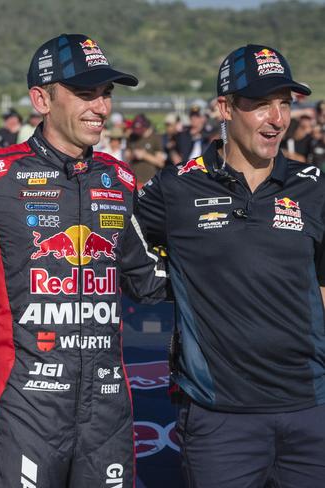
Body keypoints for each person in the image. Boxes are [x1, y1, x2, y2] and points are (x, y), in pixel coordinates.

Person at [0, 33, 167, 488]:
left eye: (106, 93)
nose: (102, 107)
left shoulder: (119, 178)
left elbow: (147, 280)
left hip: (107, 411)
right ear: (41, 99)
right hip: (25, 410)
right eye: (86, 94)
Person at [136, 44, 325, 488]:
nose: (277, 118)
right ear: (225, 107)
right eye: (261, 105)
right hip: (220, 422)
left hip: (311, 412)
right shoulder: (174, 189)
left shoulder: (314, 187)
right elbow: (115, 249)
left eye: (284, 103)